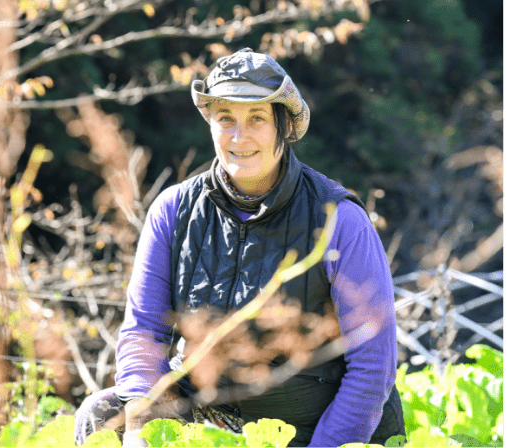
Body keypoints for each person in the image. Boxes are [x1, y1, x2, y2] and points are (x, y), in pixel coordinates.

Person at [74, 48, 405, 447]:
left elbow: (373, 366)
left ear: (283, 126)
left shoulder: (340, 219)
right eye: (225, 119)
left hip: (310, 428)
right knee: (101, 415)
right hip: (207, 417)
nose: (239, 137)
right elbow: (144, 332)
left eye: (257, 120)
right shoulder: (173, 210)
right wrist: (141, 427)